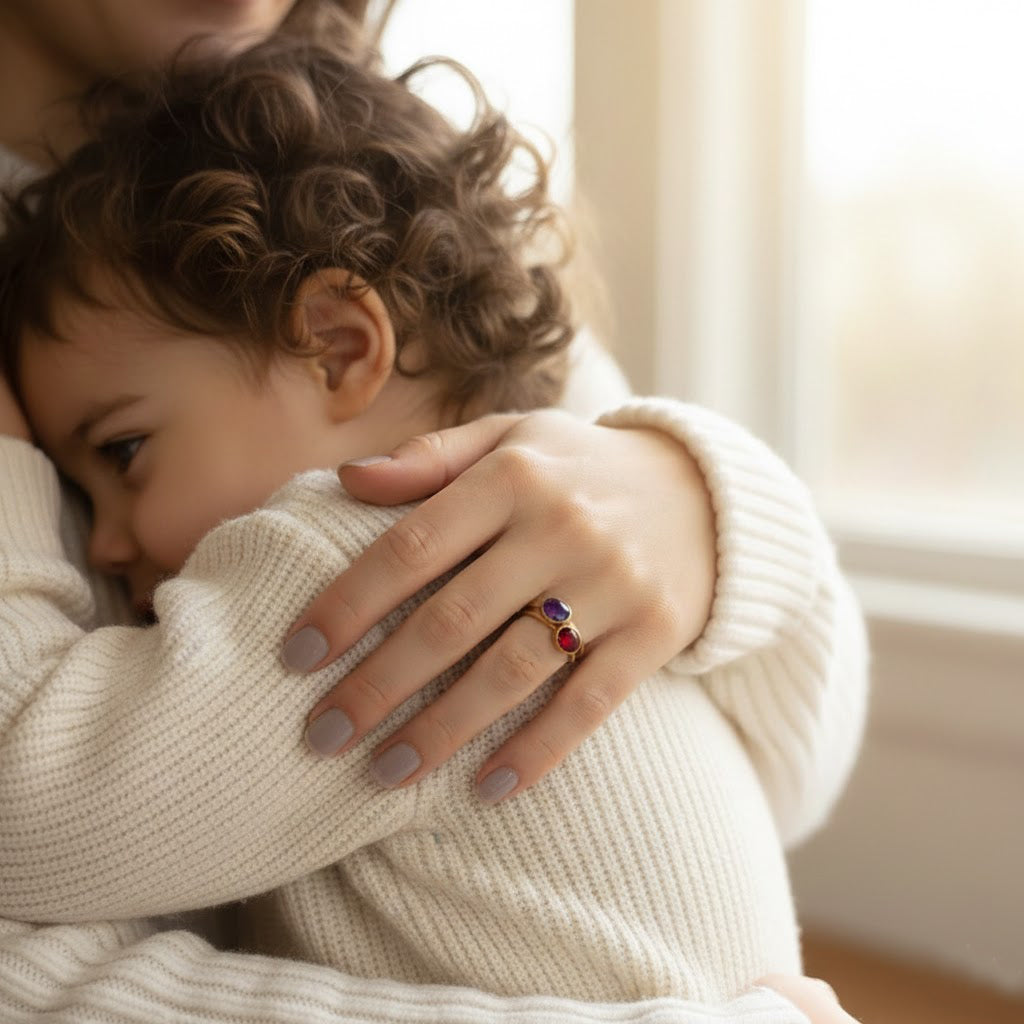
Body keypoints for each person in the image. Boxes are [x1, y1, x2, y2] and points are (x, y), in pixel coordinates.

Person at [0, 0, 868, 1021]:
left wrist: (703, 503)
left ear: (338, 346)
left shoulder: (353, 559)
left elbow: (24, 806)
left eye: (125, 453)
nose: (105, 542)